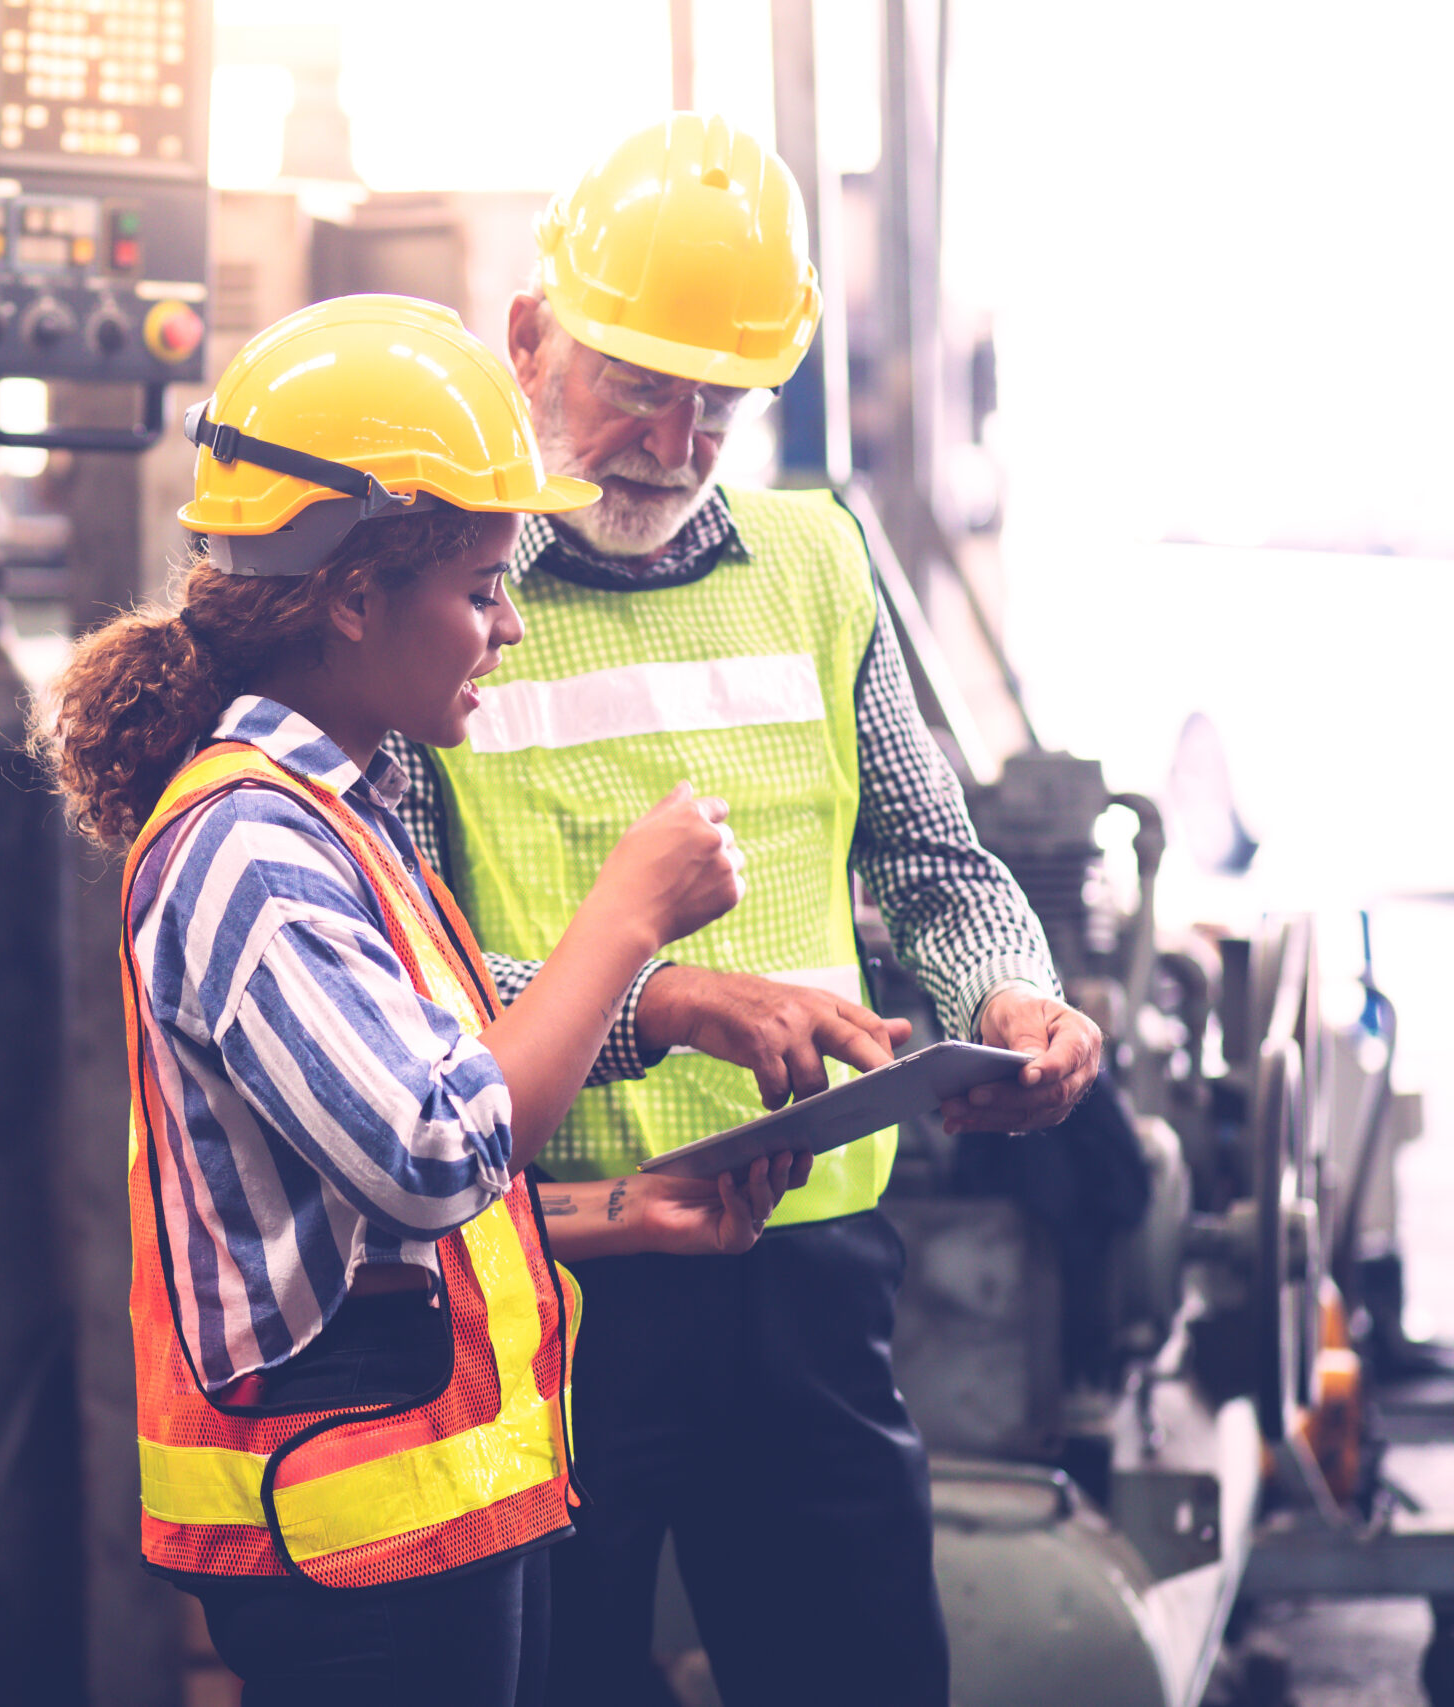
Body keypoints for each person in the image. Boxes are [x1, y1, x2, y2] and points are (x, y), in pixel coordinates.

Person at [377, 115, 1105, 1706]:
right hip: (559, 1273)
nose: (673, 438)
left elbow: (935, 863)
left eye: (719, 403)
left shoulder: (820, 559)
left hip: (813, 1265)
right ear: (528, 338)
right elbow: (410, 963)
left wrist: (1010, 1002)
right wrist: (664, 1002)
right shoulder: (443, 602)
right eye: (637, 383)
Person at [38, 293, 808, 1707]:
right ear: (350, 597)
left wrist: (612, 1220)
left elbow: (370, 1167)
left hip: (422, 1515)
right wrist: (627, 916)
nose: (509, 628)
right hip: (349, 1554)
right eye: (479, 589)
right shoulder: (249, 852)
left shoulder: (345, 809)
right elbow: (433, 1151)